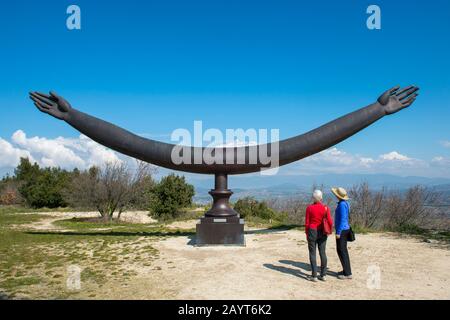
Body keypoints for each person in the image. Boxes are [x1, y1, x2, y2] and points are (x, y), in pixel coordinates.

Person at [305, 189, 333, 282]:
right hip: (323, 232)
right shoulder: (325, 208)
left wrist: (306, 234)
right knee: (322, 252)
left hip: (312, 231)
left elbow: (307, 223)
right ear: (321, 198)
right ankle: (323, 274)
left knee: (312, 253)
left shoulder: (309, 208)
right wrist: (329, 231)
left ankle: (314, 276)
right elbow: (330, 221)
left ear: (313, 198)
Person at [332, 187, 352, 280]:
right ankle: (346, 270)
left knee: (341, 251)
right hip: (345, 229)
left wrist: (338, 232)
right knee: (343, 251)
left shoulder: (341, 205)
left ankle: (347, 273)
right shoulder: (346, 204)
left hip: (342, 230)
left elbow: (342, 219)